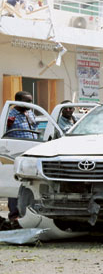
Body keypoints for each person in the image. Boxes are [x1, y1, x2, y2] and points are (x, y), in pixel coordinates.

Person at [5, 91, 37, 221]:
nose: (29, 104)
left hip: (30, 152)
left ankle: (27, 213)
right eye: (26, 101)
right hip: (15, 153)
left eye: (30, 101)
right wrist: (8, 124)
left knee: (28, 184)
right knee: (14, 184)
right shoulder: (9, 114)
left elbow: (35, 127)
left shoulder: (30, 113)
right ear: (18, 101)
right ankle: (14, 214)